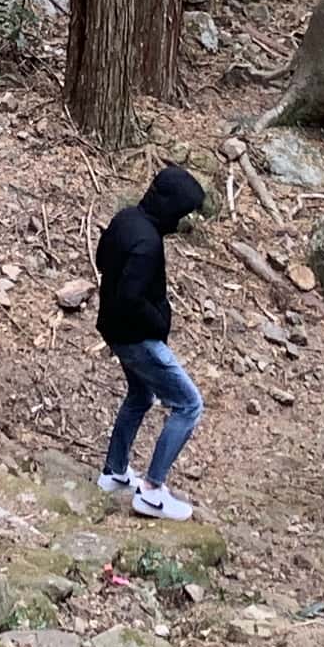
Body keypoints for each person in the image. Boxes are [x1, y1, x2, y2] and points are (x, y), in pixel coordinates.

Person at [90, 162, 207, 520]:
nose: (183, 220)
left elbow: (100, 258)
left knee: (141, 395)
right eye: (183, 212)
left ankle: (114, 471)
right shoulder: (147, 243)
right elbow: (130, 297)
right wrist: (160, 321)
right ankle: (152, 491)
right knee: (188, 405)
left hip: (112, 329)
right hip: (137, 339)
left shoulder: (126, 220)